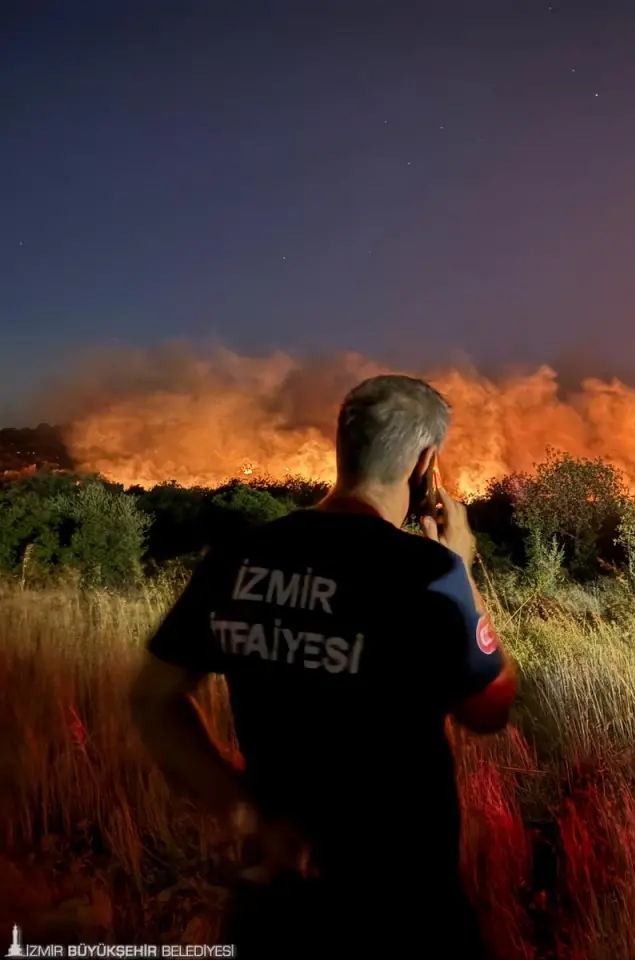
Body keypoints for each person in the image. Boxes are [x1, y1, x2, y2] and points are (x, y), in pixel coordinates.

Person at [129, 374, 518, 957]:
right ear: (426, 466)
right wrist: (459, 571)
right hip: (402, 908)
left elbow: (151, 696)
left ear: (343, 446)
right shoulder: (427, 575)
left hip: (276, 905)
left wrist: (242, 810)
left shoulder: (239, 558)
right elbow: (491, 708)